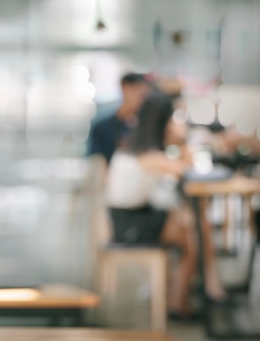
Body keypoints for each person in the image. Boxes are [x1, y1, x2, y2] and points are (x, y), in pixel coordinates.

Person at [105, 94, 227, 318]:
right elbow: (189, 172)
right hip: (130, 224)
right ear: (162, 122)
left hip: (134, 216)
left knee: (193, 222)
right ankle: (187, 296)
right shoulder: (148, 156)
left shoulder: (137, 150)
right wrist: (182, 141)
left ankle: (192, 292)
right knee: (193, 229)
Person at [87, 72, 152, 164]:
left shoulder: (147, 126)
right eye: (139, 94)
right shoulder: (103, 127)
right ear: (125, 88)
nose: (141, 100)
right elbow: (96, 161)